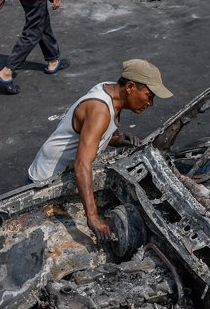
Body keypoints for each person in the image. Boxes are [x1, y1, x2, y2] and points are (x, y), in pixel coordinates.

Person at [26, 59, 172, 239]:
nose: (151, 103)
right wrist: (92, 216)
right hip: (45, 182)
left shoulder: (110, 90)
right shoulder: (100, 110)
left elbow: (93, 132)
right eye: (149, 96)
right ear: (130, 87)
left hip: (65, 174)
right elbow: (82, 164)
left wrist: (116, 139)